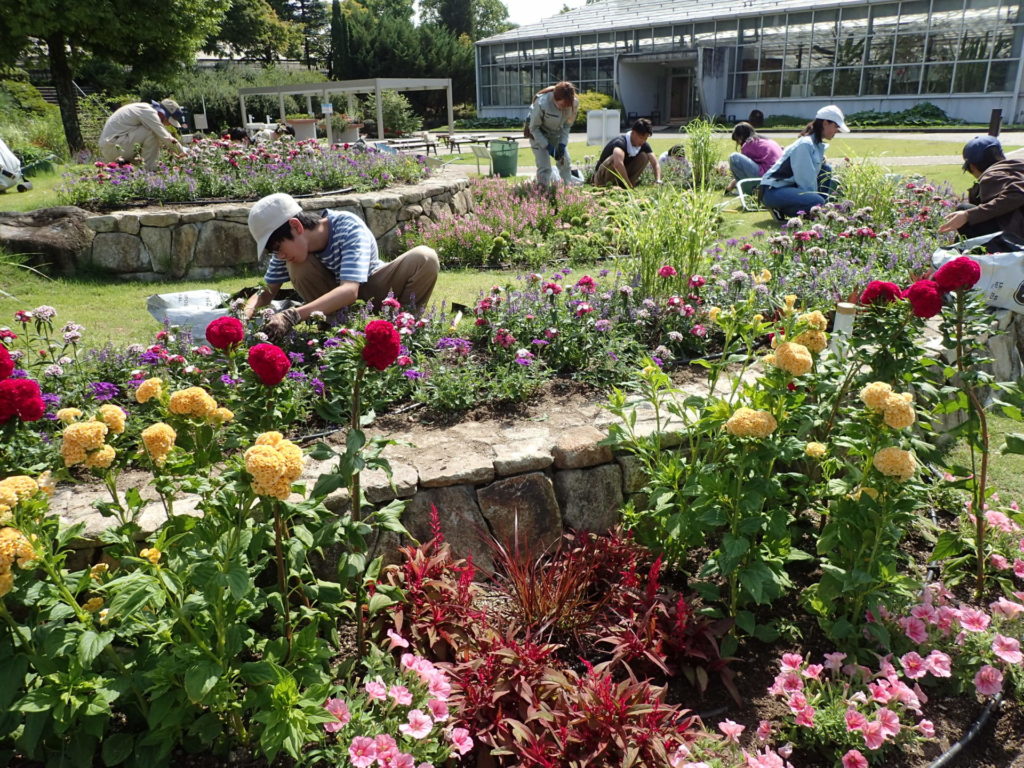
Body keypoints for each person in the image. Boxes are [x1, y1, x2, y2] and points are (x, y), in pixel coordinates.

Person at [244, 193, 439, 339]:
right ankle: (334, 331)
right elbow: (267, 291)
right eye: (274, 252)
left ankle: (403, 331)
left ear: (296, 226)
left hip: (375, 287)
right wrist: (242, 316)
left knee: (425, 257)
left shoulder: (347, 226)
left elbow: (349, 290)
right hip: (337, 309)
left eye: (278, 247)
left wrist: (292, 316)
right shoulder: (290, 252)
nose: (280, 255)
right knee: (297, 265)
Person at [759, 105, 848, 217]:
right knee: (817, 202)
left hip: (787, 189)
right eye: (836, 126)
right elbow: (805, 180)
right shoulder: (805, 144)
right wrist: (818, 206)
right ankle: (782, 209)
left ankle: (809, 211)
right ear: (825, 123)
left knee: (826, 169)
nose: (837, 131)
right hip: (773, 191)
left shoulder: (815, 144)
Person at [938, 136, 1024, 241]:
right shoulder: (1018, 166)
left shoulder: (992, 175)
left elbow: (1018, 194)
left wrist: (968, 215)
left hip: (1017, 243)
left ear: (972, 166)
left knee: (964, 209)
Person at [98, 99, 188, 170]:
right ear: (162, 113)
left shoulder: (144, 108)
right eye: (168, 121)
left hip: (113, 146)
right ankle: (149, 170)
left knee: (152, 133)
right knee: (151, 132)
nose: (167, 124)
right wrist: (183, 153)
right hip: (114, 147)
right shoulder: (148, 112)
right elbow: (165, 137)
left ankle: (144, 168)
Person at [527, 82, 578, 186]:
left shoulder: (574, 104)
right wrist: (547, 146)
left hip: (556, 135)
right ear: (555, 99)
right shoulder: (542, 102)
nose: (563, 108)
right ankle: (542, 193)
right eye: (562, 105)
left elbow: (567, 126)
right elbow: (534, 128)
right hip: (538, 135)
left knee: (566, 163)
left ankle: (566, 191)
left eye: (567, 106)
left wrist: (562, 144)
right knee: (545, 167)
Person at [592, 118, 662, 188]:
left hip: (620, 177)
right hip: (601, 178)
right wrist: (628, 185)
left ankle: (626, 185)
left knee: (645, 156)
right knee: (616, 158)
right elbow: (618, 164)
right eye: (641, 137)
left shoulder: (643, 145)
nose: (643, 141)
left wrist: (658, 180)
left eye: (645, 139)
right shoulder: (620, 143)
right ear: (633, 133)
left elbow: (655, 163)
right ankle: (611, 185)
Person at [724, 122, 782, 193]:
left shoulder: (748, 144)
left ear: (741, 137)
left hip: (765, 177)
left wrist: (730, 187)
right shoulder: (766, 141)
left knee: (734, 157)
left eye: (737, 140)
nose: (738, 143)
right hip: (777, 177)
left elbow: (742, 170)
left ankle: (748, 192)